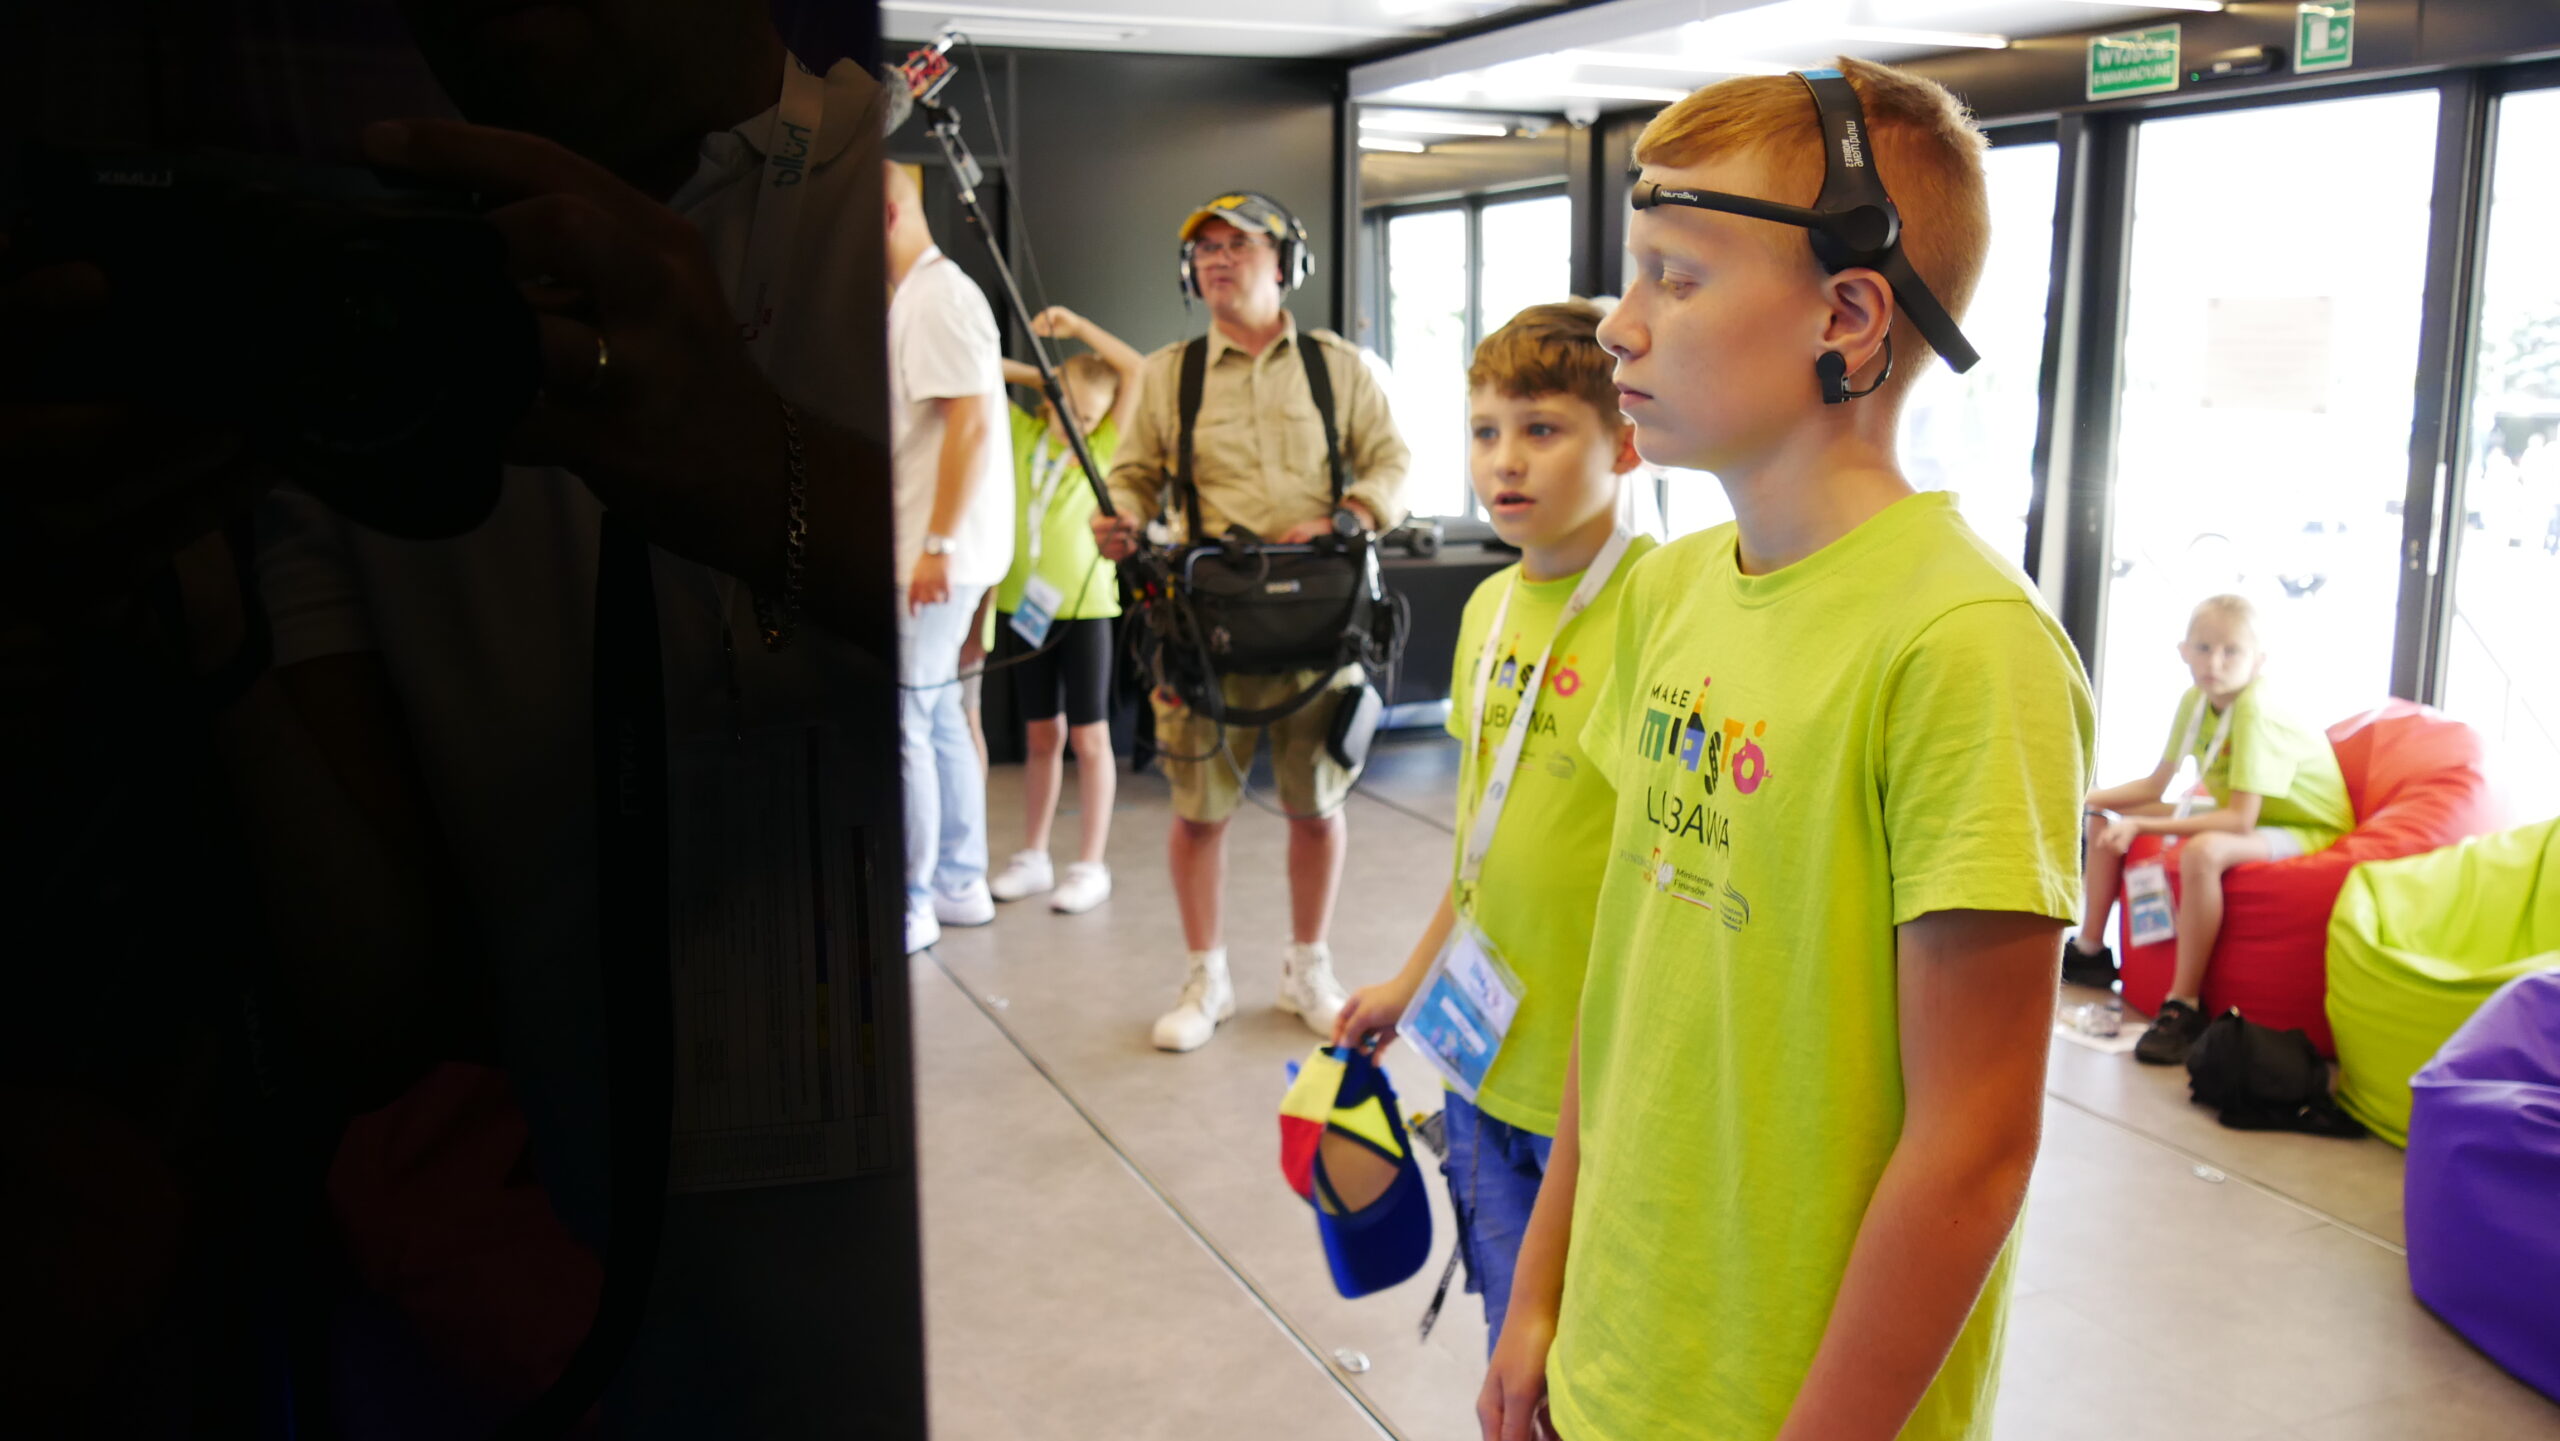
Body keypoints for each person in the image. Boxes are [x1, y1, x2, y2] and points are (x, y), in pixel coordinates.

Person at [1476, 60, 2095, 1441]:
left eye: (1676, 278)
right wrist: (1540, 1287)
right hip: (1609, 1361)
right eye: (1631, 275)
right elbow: (1618, 991)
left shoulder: (1964, 647)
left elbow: (1972, 1147)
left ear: (1847, 313)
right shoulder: (1671, 591)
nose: (1619, 326)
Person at [1330, 299, 1652, 1354]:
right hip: (1479, 1061)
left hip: (1596, 1086)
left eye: (1542, 428)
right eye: (1484, 431)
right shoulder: (1488, 609)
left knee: (1586, 1360)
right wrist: (1409, 980)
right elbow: (1483, 847)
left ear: (1626, 442)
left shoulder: (1660, 611)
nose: (1504, 461)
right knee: (1506, 1343)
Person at [1090, 190, 1411, 1053]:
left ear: (1286, 262)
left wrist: (1348, 515)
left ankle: (1308, 968)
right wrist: (1121, 516)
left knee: (1319, 806)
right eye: (1205, 248)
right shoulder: (1170, 374)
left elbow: (1391, 460)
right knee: (1198, 812)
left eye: (1239, 243)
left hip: (1322, 623)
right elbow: (1133, 476)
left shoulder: (1338, 368)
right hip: (1208, 630)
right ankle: (1207, 977)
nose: (1219, 259)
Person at [2071, 594, 2352, 1064]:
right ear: (2183, 651)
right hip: (2246, 814)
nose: (2213, 663)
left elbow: (2240, 820)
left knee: (2203, 852)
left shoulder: (2256, 709)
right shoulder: (2196, 699)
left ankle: (2183, 1004)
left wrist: (2142, 822)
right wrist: (2083, 798)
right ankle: (2090, 951)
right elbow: (2155, 784)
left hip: (2304, 827)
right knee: (2103, 819)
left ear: (2258, 660)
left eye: (2230, 651)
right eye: (2202, 648)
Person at [884, 159, 1014, 955]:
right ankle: (959, 882)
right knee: (935, 717)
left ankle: (914, 898)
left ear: (885, 215)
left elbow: (969, 422)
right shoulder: (920, 299)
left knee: (907, 720)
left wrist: (934, 546)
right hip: (942, 554)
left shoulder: (936, 297)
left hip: (934, 557)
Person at [985, 305, 1146, 915]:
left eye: (1089, 418)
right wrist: (1041, 377)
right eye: (1068, 411)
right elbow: (979, 364)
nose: (1076, 426)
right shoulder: (1024, 434)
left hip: (1086, 610)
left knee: (1089, 736)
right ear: (1048, 403)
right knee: (1040, 733)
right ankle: (1033, 855)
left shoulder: (1101, 447)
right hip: (1023, 606)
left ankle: (1090, 864)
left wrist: (1079, 328)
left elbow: (1137, 370)